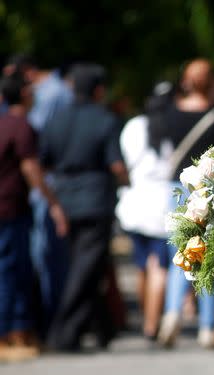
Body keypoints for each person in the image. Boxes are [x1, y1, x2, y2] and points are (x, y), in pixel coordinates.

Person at [40, 64, 129, 352]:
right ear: (99, 90)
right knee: (85, 267)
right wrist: (126, 179)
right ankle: (63, 333)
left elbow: (45, 162)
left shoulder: (56, 120)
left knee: (88, 265)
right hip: (95, 200)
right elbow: (116, 164)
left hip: (63, 198)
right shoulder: (105, 119)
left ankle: (102, 329)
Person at [153, 59, 214, 348]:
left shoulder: (170, 114)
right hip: (210, 190)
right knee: (210, 256)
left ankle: (173, 312)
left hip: (179, 189)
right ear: (212, 83)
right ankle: (207, 326)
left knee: (182, 256)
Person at [0, 74, 68, 361]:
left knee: (14, 269)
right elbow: (30, 168)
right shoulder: (23, 126)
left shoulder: (4, 123)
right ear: (24, 95)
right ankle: (6, 333)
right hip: (10, 208)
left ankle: (19, 330)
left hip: (10, 208)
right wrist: (53, 202)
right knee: (9, 270)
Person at [116, 82, 175, 343]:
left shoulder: (133, 126)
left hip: (134, 202)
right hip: (161, 203)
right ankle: (152, 324)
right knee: (158, 266)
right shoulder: (174, 125)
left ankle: (145, 318)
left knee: (141, 265)